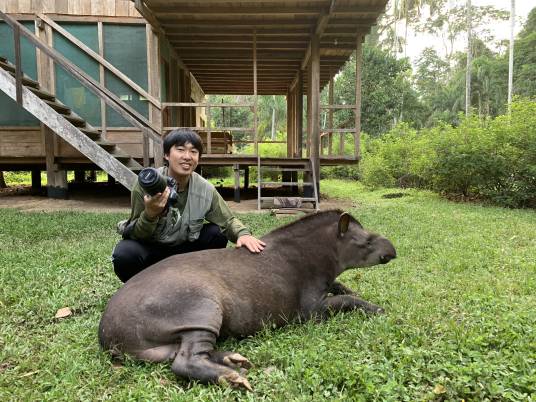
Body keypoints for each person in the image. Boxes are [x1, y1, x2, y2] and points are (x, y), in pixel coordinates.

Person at [112, 129, 265, 282]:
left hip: (185, 252)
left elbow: (228, 221)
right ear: (166, 155)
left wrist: (243, 234)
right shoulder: (147, 185)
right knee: (125, 253)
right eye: (180, 150)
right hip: (152, 250)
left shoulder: (205, 189)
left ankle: (195, 280)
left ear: (198, 158)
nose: (187, 157)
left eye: (193, 151)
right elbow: (136, 234)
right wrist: (150, 214)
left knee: (216, 233)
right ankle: (141, 287)